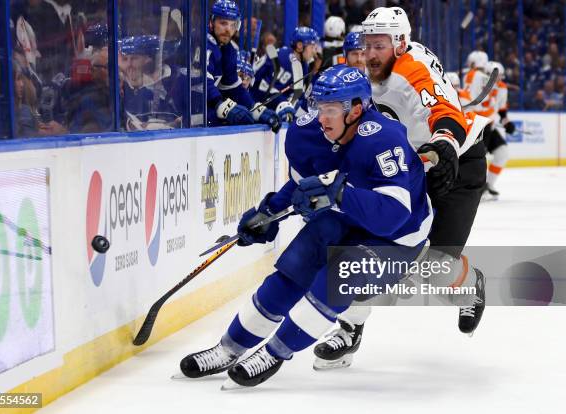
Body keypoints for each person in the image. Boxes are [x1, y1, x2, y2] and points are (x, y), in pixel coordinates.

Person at [178, 65, 433, 388]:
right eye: (317, 107)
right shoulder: (309, 133)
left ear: (356, 110)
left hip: (398, 237)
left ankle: (274, 353)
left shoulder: (383, 138)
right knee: (293, 268)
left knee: (341, 274)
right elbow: (301, 185)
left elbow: (394, 214)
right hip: (345, 219)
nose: (320, 118)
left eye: (329, 110)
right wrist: (267, 213)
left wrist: (340, 193)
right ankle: (229, 347)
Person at [313, 6, 489, 370]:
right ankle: (349, 328)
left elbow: (446, 114)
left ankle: (468, 284)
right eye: (367, 44)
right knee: (369, 247)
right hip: (410, 167)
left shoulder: (412, 69)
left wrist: (443, 142)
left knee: (436, 269)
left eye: (380, 45)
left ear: (400, 43)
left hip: (457, 163)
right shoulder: (366, 72)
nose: (371, 52)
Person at [206, 0, 280, 132]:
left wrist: (255, 108)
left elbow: (235, 88)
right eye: (223, 23)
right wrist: (220, 104)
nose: (228, 29)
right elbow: (201, 81)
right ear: (211, 22)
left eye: (232, 25)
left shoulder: (227, 50)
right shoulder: (203, 43)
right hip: (183, 111)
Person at [251, 26, 319, 123]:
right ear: (300, 46)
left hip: (271, 109)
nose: (314, 51)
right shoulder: (283, 58)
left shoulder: (303, 64)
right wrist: (284, 103)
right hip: (256, 107)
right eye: (312, 47)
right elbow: (264, 90)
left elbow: (295, 94)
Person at [481, 61, 513, 200]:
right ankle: (477, 188)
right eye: (496, 76)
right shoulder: (479, 87)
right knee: (477, 160)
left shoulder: (502, 88)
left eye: (500, 76)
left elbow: (501, 109)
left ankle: (488, 184)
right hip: (477, 128)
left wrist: (506, 122)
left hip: (491, 127)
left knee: (502, 153)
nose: (499, 80)